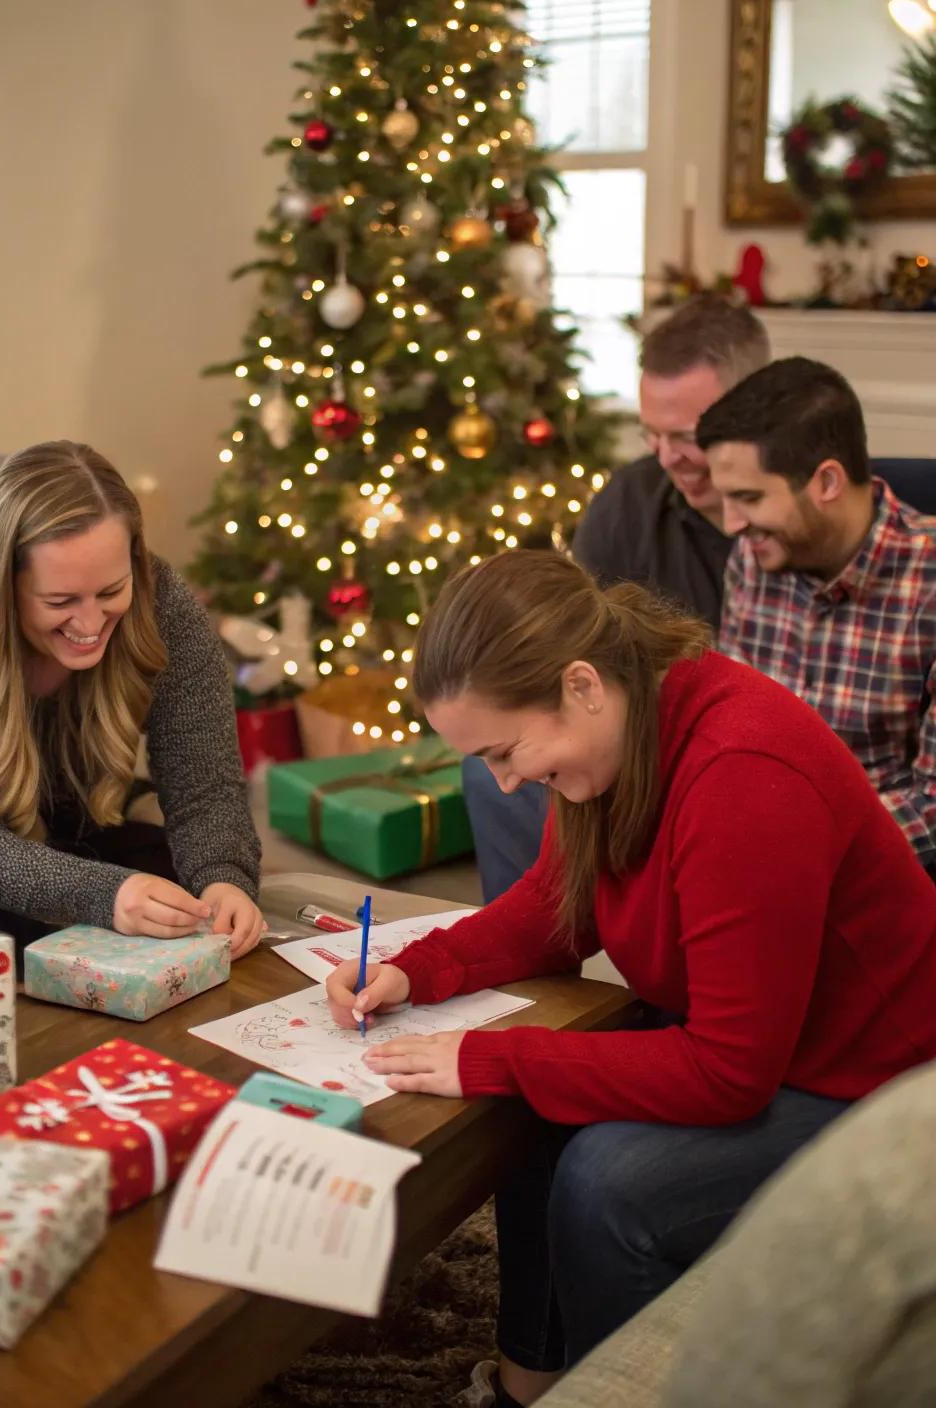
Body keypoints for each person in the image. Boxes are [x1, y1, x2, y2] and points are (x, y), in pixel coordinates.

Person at [324, 549, 936, 1408]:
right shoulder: (623, 728)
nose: (502, 782)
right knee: (533, 1108)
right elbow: (554, 906)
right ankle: (533, 1382)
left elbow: (728, 1072)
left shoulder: (740, 777)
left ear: (580, 685)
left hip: (878, 1091)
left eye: (505, 751)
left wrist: (494, 1057)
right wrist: (412, 970)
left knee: (608, 1180)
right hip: (772, 1047)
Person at [466, 294, 770, 904]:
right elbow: (575, 663)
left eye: (687, 436)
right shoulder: (626, 507)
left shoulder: (794, 528)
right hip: (637, 751)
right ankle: (544, 972)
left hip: (743, 763)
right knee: (491, 771)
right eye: (651, 434)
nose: (666, 457)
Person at [0, 441, 265, 958]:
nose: (90, 623)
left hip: (75, 810)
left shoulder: (163, 603)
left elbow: (205, 785)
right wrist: (105, 894)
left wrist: (224, 879)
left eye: (110, 592)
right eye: (60, 601)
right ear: (5, 585)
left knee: (178, 903)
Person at [696, 357, 936, 871]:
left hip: (876, 878)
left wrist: (794, 843)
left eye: (749, 497)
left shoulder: (928, 586)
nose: (731, 522)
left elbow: (931, 810)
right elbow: (730, 730)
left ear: (826, 482)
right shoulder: (755, 560)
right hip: (752, 848)